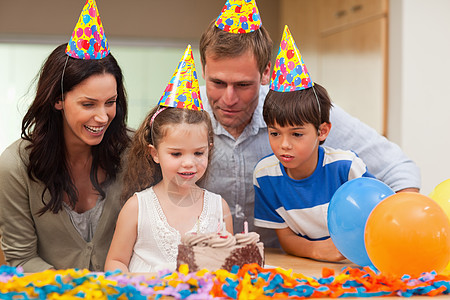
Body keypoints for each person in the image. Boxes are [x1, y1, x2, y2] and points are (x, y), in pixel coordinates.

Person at [198, 0, 420, 247]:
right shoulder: (184, 117)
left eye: (242, 85)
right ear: (204, 70)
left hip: (282, 267)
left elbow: (397, 168)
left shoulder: (298, 111)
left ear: (265, 73)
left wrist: (404, 231)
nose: (229, 98)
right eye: (217, 83)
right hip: (204, 264)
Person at [0, 0, 130, 272]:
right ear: (58, 100)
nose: (103, 117)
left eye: (110, 102)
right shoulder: (14, 166)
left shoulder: (134, 152)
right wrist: (78, 290)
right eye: (88, 104)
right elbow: (22, 260)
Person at [104, 45, 233, 273]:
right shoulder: (137, 207)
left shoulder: (219, 208)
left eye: (198, 153)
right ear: (155, 153)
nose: (189, 162)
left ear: (209, 150)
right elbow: (116, 263)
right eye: (176, 154)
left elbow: (229, 266)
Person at [253, 26, 375, 261]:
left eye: (296, 134)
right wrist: (319, 251)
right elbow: (286, 238)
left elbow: (378, 216)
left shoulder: (346, 167)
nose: (284, 145)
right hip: (307, 269)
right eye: (275, 133)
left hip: (358, 266)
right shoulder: (264, 176)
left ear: (322, 131)